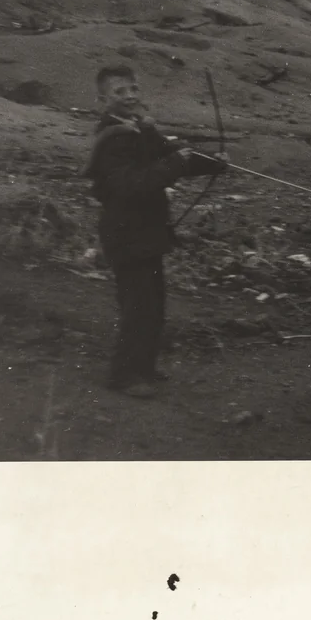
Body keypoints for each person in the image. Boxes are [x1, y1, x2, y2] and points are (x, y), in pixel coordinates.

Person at [82, 65, 227, 398]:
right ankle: (123, 376)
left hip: (146, 232)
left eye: (134, 88)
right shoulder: (112, 140)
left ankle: (143, 368)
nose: (131, 96)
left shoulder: (140, 130)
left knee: (154, 304)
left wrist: (215, 162)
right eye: (120, 92)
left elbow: (172, 155)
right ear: (102, 99)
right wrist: (174, 164)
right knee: (138, 307)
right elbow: (131, 184)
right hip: (126, 234)